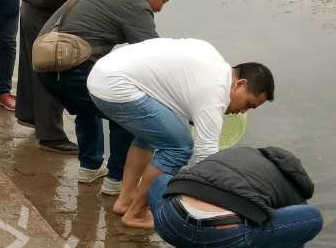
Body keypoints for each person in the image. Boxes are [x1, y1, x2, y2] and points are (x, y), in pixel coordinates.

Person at [88, 38, 274, 230]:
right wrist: (227, 198)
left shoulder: (213, 60)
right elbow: (205, 157)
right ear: (240, 84)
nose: (243, 112)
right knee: (179, 147)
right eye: (248, 104)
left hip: (102, 73)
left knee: (150, 137)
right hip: (116, 87)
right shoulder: (214, 94)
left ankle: (126, 201)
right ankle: (136, 213)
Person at [18, 0, 157, 159]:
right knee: (53, 69)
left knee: (31, 67)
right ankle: (51, 136)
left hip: (31, 11)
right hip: (45, 18)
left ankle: (29, 115)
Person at [38, 0, 177, 190]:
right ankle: (116, 179)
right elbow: (154, 55)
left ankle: (90, 167)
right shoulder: (135, 3)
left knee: (89, 105)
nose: (161, 9)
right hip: (70, 66)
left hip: (46, 63)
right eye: (164, 1)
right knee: (128, 111)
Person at [148, 145, 323, 248]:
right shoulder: (293, 193)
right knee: (313, 217)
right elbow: (288, 246)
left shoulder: (240, 153)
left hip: (171, 222)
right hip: (224, 235)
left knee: (160, 182)